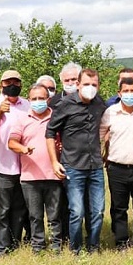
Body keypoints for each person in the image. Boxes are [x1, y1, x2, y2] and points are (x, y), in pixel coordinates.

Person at [46, 68, 106, 254]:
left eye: (94, 84)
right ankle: (76, 250)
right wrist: (54, 162)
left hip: (95, 165)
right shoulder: (65, 104)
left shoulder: (99, 103)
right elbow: (50, 132)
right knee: (77, 212)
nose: (90, 87)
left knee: (97, 211)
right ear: (78, 85)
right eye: (86, 84)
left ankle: (93, 247)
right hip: (73, 166)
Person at [8, 84, 63, 253]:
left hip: (54, 175)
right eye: (34, 98)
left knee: (55, 216)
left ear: (48, 99)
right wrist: (23, 149)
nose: (38, 101)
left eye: (41, 98)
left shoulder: (57, 117)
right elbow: (11, 142)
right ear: (29, 100)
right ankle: (37, 247)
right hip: (30, 177)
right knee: (35, 216)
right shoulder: (22, 119)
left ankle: (56, 247)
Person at [0, 70, 30, 256]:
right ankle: (1, 248)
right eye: (8, 82)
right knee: (2, 209)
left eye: (16, 82)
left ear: (21, 85)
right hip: (0, 164)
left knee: (19, 209)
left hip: (24, 165)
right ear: (0, 85)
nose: (12, 85)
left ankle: (14, 244)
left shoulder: (27, 105)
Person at [99, 77, 133, 250]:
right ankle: (121, 242)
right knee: (119, 208)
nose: (129, 94)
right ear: (119, 93)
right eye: (126, 91)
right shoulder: (110, 112)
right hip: (116, 168)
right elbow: (99, 135)